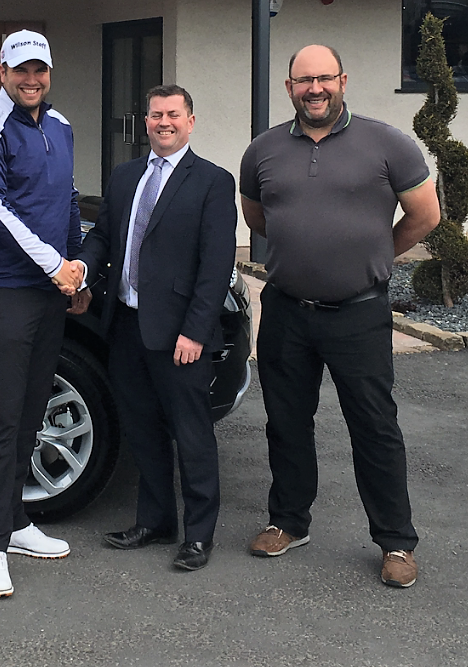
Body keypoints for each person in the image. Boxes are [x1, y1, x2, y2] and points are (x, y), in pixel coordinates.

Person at [240, 44, 440, 589]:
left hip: (359, 313)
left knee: (374, 428)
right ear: (289, 88)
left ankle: (396, 541)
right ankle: (288, 522)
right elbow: (256, 213)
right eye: (303, 81)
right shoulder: (262, 151)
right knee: (285, 423)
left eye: (324, 78)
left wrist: (374, 254)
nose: (314, 89)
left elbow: (425, 214)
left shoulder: (388, 143)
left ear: (343, 80)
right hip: (285, 310)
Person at [74, 85, 237, 571]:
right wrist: (82, 272)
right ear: (144, 122)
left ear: (190, 121)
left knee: (191, 434)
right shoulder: (125, 177)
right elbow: (104, 238)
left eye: (172, 114)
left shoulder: (212, 181)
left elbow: (215, 264)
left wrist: (195, 331)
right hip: (125, 324)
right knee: (142, 429)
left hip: (180, 335)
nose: (163, 122)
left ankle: (200, 534)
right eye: (154, 115)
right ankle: (155, 520)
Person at [0, 29, 88, 598]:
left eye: (40, 71)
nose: (31, 80)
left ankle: (14, 523)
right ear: (3, 73)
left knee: (32, 408)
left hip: (46, 291)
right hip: (1, 290)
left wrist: (76, 268)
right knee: (2, 417)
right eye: (20, 71)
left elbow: (69, 200)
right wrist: (53, 264)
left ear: (49, 74)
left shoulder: (59, 127)